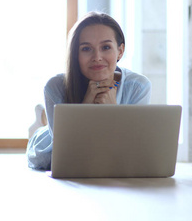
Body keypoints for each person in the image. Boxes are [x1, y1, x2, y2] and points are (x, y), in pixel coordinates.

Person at [27, 12, 151, 170]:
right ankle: (42, 122)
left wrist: (113, 110)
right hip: (51, 145)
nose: (97, 57)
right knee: (44, 154)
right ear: (75, 54)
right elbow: (67, 152)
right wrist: (86, 106)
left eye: (106, 47)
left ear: (120, 51)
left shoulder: (139, 86)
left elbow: (131, 150)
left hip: (106, 151)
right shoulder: (55, 86)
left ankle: (44, 118)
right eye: (86, 49)